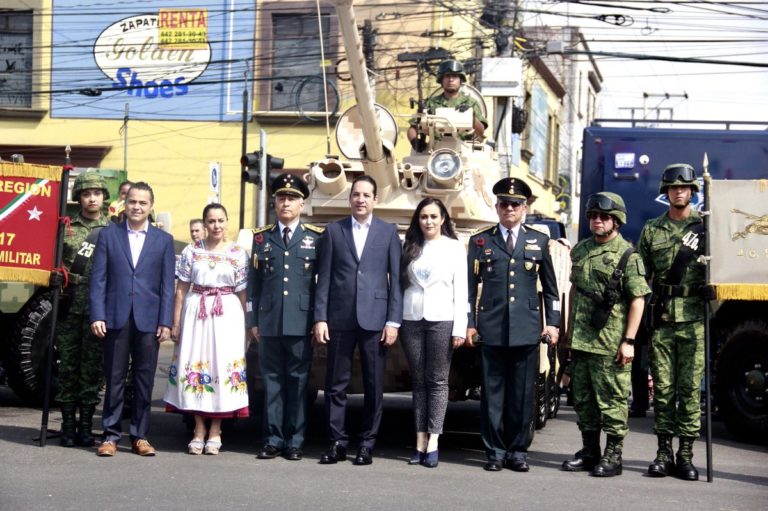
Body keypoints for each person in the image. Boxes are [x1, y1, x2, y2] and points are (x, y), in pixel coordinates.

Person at [466, 177, 560, 472]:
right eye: (504, 203)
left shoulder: (539, 241)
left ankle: (518, 450)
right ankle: (494, 451)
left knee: (522, 394)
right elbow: (469, 290)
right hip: (491, 329)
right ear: (497, 207)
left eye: (515, 204)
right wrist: (470, 324)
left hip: (526, 328)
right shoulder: (480, 241)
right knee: (492, 395)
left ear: (524, 208)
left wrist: (553, 323)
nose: (510, 208)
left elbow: (552, 290)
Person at [313, 175, 403, 466]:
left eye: (366, 195)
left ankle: (366, 443)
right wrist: (320, 318)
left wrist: (393, 321)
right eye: (356, 195)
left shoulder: (388, 233)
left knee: (374, 385)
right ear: (349, 198)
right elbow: (323, 278)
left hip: (375, 320)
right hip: (339, 318)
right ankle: (337, 441)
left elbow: (396, 282)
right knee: (335, 385)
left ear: (376, 200)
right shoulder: (333, 231)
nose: (361, 200)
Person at [561, 192, 650, 477]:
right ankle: (590, 451)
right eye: (593, 216)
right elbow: (575, 289)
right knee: (584, 401)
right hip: (581, 340)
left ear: (617, 221)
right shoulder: (581, 250)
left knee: (612, 401)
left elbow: (638, 299)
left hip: (610, 344)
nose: (597, 221)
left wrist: (629, 341)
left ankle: (614, 455)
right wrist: (567, 331)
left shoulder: (628, 255)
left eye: (604, 217)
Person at [90, 182, 175, 457]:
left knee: (144, 380)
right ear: (125, 204)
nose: (137, 207)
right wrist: (98, 314)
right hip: (115, 316)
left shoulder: (163, 241)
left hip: (149, 319)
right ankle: (111, 436)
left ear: (151, 207)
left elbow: (166, 286)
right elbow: (99, 279)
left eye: (143, 203)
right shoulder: (108, 235)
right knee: (114, 379)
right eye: (132, 202)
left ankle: (140, 435)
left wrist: (165, 321)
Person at [638, 163, 708, 481]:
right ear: (665, 192)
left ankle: (686, 456)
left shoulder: (706, 228)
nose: (679, 191)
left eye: (684, 187)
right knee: (664, 390)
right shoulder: (652, 230)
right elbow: (639, 278)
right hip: (663, 319)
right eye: (673, 187)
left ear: (692, 191)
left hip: (695, 319)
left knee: (691, 391)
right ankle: (664, 453)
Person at [247, 174, 323, 461]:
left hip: (300, 322)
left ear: (302, 204)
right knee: (272, 383)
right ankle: (272, 439)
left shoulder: (314, 237)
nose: (286, 203)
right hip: (268, 322)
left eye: (292, 198)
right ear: (274, 203)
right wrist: (252, 321)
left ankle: (295, 440)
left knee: (299, 383)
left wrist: (318, 319)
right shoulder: (261, 238)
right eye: (281, 198)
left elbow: (321, 284)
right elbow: (253, 283)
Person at [164, 203, 249, 455]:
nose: (216, 226)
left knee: (221, 365)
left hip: (227, 314)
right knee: (196, 363)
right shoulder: (192, 251)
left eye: (221, 221)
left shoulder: (237, 253)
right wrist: (176, 322)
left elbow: (242, 292)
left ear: (227, 221)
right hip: (196, 312)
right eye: (211, 221)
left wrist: (245, 324)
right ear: (204, 223)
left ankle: (216, 430)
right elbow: (181, 289)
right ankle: (199, 429)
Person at [400, 198, 467, 468]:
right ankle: (419, 441)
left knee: (438, 381)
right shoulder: (410, 246)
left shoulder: (453, 248)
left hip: (442, 319)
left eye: (433, 216)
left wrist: (459, 328)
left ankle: (434, 440)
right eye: (423, 216)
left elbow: (461, 289)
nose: (428, 221)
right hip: (412, 318)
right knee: (418, 382)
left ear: (442, 220)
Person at [53, 171, 111, 447]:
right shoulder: (66, 227)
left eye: (97, 193)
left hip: (98, 311)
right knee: (67, 369)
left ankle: (86, 426)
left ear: (104, 197)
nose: (92, 199)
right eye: (87, 194)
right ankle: (67, 425)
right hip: (69, 306)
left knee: (91, 370)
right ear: (79, 197)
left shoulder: (113, 230)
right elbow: (52, 262)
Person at [407, 59, 488, 151]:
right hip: (435, 149)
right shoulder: (430, 103)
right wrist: (414, 141)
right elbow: (413, 127)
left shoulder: (470, 102)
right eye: (447, 76)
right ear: (441, 80)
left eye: (455, 76)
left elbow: (480, 131)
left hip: (464, 148)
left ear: (461, 80)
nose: (451, 80)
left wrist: (471, 115)